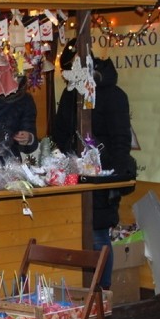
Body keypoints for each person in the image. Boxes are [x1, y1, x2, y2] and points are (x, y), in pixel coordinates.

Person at [52, 43, 133, 289]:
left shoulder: (114, 96)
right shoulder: (70, 94)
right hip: (74, 173)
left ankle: (102, 294)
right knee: (75, 233)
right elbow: (59, 131)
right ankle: (88, 293)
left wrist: (114, 179)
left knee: (98, 235)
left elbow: (121, 140)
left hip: (103, 176)